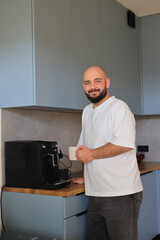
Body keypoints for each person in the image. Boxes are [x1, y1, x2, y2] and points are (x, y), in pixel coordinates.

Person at [71, 65, 143, 240]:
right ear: (83, 86)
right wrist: (87, 177)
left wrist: (92, 154)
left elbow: (124, 145)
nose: (92, 86)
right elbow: (84, 149)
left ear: (107, 83)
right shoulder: (87, 112)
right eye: (88, 83)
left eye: (97, 81)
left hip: (120, 194)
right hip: (96, 194)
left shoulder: (119, 108)